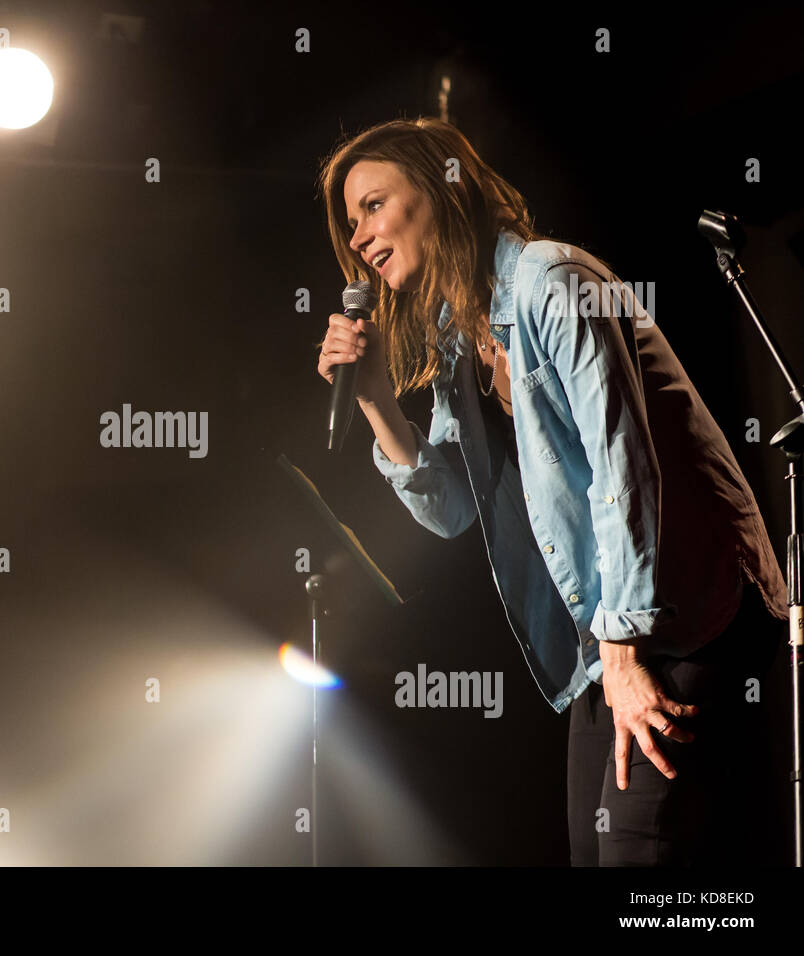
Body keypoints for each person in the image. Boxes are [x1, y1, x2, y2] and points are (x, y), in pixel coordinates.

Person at [315, 117, 790, 866]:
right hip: (613, 629)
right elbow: (449, 508)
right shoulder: (457, 335)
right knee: (591, 849)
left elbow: (622, 464)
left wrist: (626, 652)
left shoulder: (553, 281)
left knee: (638, 852)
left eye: (373, 205)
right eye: (350, 222)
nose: (359, 238)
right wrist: (375, 397)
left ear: (444, 188)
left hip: (691, 602)